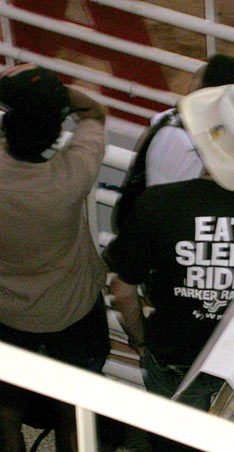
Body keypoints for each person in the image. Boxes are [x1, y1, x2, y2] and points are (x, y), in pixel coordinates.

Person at [104, 83, 234, 452]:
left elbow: (123, 291)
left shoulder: (159, 203)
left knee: (174, 442)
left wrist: (141, 340)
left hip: (175, 355)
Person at [0, 64, 110, 452]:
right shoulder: (73, 174)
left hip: (7, 313)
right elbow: (94, 113)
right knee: (74, 410)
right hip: (72, 310)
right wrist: (56, 93)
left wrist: (21, 94)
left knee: (7, 407)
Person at [111, 54, 234, 233]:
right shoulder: (186, 138)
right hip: (166, 231)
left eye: (195, 80)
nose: (189, 87)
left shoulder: (171, 120)